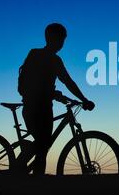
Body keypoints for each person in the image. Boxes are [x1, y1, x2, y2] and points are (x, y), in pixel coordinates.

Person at [18, 23, 95, 175]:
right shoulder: (47, 58)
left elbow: (67, 81)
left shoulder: (41, 55)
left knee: (43, 146)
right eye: (61, 39)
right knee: (43, 145)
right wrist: (83, 99)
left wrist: (57, 95)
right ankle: (26, 175)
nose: (62, 43)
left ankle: (26, 173)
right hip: (36, 108)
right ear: (52, 38)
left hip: (41, 108)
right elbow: (66, 82)